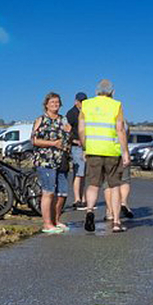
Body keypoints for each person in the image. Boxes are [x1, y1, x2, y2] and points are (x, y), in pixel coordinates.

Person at [79, 79, 130, 233]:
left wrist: (85, 147)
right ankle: (116, 222)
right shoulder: (116, 105)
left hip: (93, 149)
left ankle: (89, 211)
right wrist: (125, 152)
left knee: (93, 184)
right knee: (114, 186)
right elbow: (120, 129)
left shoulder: (86, 105)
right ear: (112, 92)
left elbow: (81, 129)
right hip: (111, 151)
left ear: (96, 92)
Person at [31, 92, 71, 233]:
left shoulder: (63, 120)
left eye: (57, 102)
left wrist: (69, 133)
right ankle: (47, 224)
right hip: (45, 160)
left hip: (62, 160)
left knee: (62, 193)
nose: (55, 104)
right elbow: (34, 140)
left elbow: (67, 139)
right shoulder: (41, 120)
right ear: (46, 104)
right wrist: (52, 143)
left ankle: (56, 220)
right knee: (48, 192)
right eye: (52, 102)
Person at [66, 92, 86, 208]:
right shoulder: (71, 113)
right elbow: (67, 131)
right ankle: (77, 199)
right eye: (81, 101)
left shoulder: (86, 113)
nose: (83, 103)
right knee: (78, 173)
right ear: (76, 101)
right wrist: (74, 141)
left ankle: (83, 198)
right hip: (76, 146)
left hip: (85, 146)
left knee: (83, 174)